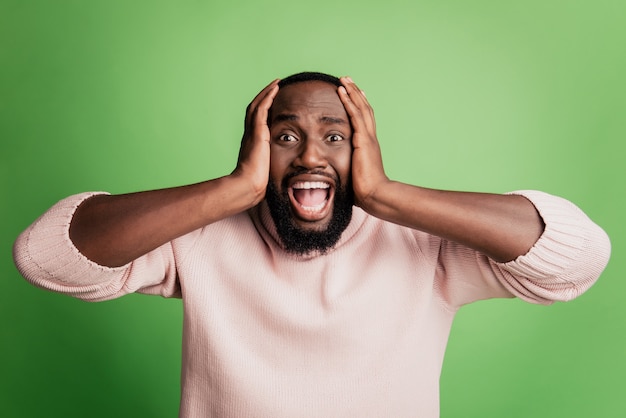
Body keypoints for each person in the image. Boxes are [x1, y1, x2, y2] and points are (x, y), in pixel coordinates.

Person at [13, 71, 611, 417]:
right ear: (254, 147)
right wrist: (232, 191)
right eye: (286, 136)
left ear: (364, 149)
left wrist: (385, 195)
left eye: (335, 136)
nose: (310, 156)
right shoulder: (200, 238)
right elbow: (47, 256)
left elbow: (577, 258)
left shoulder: (421, 246)